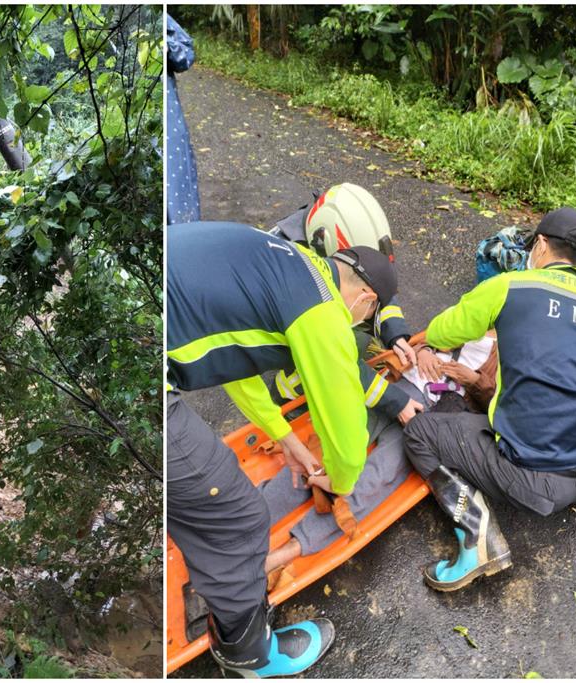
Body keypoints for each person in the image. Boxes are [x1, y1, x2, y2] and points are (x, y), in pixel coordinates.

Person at [167, 220, 399, 677]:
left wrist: (288, 439)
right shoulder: (325, 313)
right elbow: (346, 422)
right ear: (366, 301)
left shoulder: (285, 260)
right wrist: (342, 480)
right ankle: (250, 655)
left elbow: (233, 358)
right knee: (239, 516)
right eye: (366, 321)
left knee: (196, 486)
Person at [402, 207, 576, 592]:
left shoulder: (511, 286)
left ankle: (478, 539)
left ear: (541, 245)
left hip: (537, 483)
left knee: (422, 432)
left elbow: (443, 332)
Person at [263, 335, 499, 577]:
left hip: (429, 419)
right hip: (396, 391)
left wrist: (475, 381)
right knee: (326, 452)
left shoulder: (505, 357)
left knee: (375, 479)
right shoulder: (470, 320)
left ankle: (289, 550)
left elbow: (495, 407)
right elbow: (421, 338)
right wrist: (425, 351)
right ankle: (252, 516)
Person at [268, 183, 425, 426]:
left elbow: (378, 283)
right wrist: (395, 402)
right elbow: (328, 349)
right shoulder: (289, 267)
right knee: (339, 350)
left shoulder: (343, 229)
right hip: (285, 329)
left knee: (360, 339)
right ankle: (286, 398)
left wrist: (396, 334)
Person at [166, 15, 200, 224]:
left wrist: (167, 47)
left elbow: (186, 54)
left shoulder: (159, 16)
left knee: (176, 186)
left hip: (169, 120)